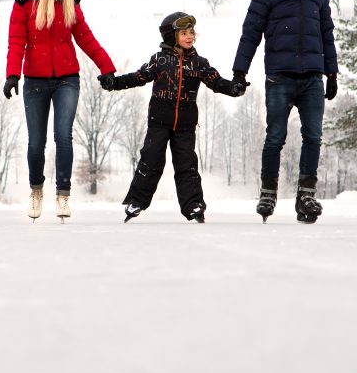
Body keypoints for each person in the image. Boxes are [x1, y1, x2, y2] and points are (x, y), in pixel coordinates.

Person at [231, 0, 339, 224]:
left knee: (313, 137)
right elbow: (250, 33)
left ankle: (307, 194)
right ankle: (268, 191)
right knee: (275, 137)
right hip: (279, 76)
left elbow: (327, 35)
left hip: (312, 78)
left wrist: (332, 72)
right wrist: (239, 71)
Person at [4, 0, 116, 221]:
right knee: (36, 142)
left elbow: (86, 38)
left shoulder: (70, 2)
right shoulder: (25, 4)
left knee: (63, 137)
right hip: (35, 82)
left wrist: (107, 68)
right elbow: (16, 42)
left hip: (67, 79)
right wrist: (11, 75)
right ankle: (36, 191)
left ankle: (63, 196)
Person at [100, 12, 247, 223]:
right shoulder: (159, 60)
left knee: (186, 165)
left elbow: (216, 81)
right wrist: (114, 82)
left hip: (185, 126)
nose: (190, 37)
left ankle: (193, 205)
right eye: (184, 33)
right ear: (171, 36)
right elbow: (138, 77)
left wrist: (233, 88)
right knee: (150, 161)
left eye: (192, 32)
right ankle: (137, 201)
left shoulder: (199, 63)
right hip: (159, 123)